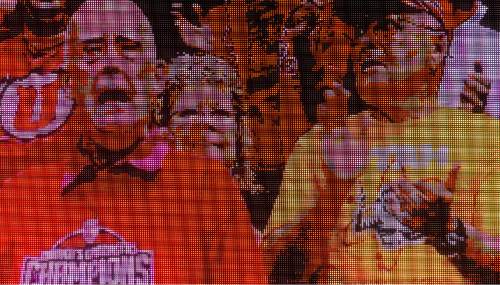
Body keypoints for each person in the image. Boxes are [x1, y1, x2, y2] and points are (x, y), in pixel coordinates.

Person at [0, 0, 266, 283]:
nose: (111, 65)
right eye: (93, 52)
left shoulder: (206, 187)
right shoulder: (19, 198)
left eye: (129, 48)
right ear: (68, 84)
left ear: (158, 77)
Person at [264, 0, 500, 283]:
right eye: (362, 30)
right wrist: (332, 191)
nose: (368, 40)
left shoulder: (482, 136)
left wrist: (450, 229)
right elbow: (277, 271)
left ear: (437, 50)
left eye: (390, 27)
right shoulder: (322, 141)